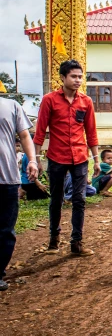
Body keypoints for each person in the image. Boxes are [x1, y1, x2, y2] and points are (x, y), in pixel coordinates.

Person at [33, 59, 99, 257]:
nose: (78, 80)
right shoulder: (49, 100)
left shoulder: (86, 102)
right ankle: (54, 239)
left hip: (79, 157)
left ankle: (76, 242)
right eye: (74, 76)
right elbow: (39, 131)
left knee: (79, 199)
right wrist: (36, 159)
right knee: (56, 199)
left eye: (80, 77)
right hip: (56, 157)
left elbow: (91, 132)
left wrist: (96, 159)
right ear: (63, 78)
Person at [1, 97, 37, 291]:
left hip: (7, 177)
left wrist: (32, 160)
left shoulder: (11, 105)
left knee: (6, 230)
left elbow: (24, 136)